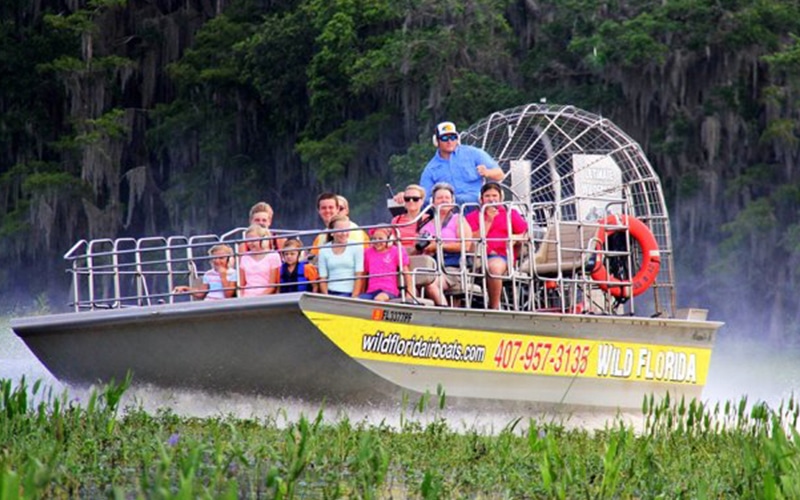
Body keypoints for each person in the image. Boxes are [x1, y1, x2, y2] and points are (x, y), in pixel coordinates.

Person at [397, 121, 503, 209]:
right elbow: (423, 196)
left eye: (453, 137)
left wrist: (487, 172)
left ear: (458, 139)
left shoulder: (474, 153)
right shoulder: (430, 169)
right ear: (436, 141)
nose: (449, 141)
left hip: (478, 207)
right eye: (444, 138)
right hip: (450, 211)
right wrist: (406, 196)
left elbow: (500, 175)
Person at [465, 182, 528, 309]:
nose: (491, 199)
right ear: (481, 199)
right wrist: (488, 220)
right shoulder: (472, 216)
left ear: (500, 197)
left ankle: (494, 307)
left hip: (502, 256)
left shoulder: (510, 213)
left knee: (493, 267)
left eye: (494, 195)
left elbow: (525, 234)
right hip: (476, 256)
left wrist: (515, 238)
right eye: (487, 196)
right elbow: (471, 238)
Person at [418, 183, 473, 306]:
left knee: (430, 284)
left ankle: (445, 311)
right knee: (413, 280)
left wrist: (439, 246)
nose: (443, 200)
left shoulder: (459, 219)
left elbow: (466, 245)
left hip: (451, 267)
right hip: (430, 265)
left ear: (452, 201)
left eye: (447, 198)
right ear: (433, 201)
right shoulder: (425, 223)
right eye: (440, 198)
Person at [317, 214, 365, 297]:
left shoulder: (356, 247)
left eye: (347, 230)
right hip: (331, 292)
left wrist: (354, 297)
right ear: (331, 232)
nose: (344, 233)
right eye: (340, 230)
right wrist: (327, 297)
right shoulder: (324, 250)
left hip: (349, 293)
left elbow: (358, 276)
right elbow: (323, 278)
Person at [360, 227, 412, 302]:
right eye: (374, 239)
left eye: (380, 239)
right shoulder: (368, 253)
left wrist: (409, 293)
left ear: (389, 239)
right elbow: (364, 275)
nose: (377, 241)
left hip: (388, 291)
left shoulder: (396, 251)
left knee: (378, 299)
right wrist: (361, 292)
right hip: (371, 291)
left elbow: (406, 273)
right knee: (359, 301)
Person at [310, 192, 367, 257]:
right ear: (318, 210)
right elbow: (313, 259)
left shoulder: (353, 230)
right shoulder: (321, 236)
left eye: (331, 207)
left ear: (337, 209)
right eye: (323, 208)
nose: (327, 211)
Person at [239, 224, 281, 297]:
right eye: (248, 240)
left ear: (263, 240)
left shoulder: (273, 256)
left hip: (265, 297)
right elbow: (242, 284)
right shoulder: (244, 257)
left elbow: (273, 285)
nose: (250, 243)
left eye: (254, 240)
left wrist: (258, 298)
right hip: (246, 297)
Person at [391, 184, 428, 252]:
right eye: (407, 199)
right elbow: (392, 242)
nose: (411, 201)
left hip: (421, 256)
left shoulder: (429, 219)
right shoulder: (396, 220)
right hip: (400, 255)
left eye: (415, 199)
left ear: (422, 201)